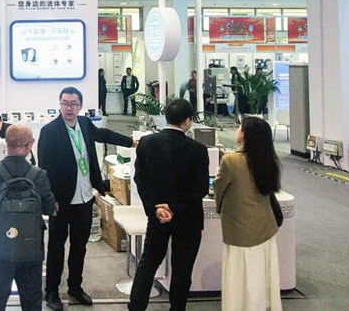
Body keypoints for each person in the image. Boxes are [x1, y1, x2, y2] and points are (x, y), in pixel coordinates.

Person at [38, 87, 134, 310]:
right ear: (59, 104)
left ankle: (75, 287)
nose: (68, 108)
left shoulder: (85, 124)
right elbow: (44, 168)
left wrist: (130, 142)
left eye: (73, 104)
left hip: (84, 197)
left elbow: (104, 135)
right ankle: (51, 292)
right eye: (64, 103)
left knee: (80, 247)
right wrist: (50, 199)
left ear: (80, 106)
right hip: (61, 202)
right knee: (56, 248)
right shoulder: (49, 131)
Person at [129, 98, 209, 311]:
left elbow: (140, 179)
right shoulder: (198, 150)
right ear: (188, 121)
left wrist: (157, 207)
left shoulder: (147, 143)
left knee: (148, 263)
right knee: (182, 269)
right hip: (188, 218)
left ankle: (136, 306)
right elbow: (201, 188)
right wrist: (173, 207)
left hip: (158, 217)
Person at [0, 125, 56, 311]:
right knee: (32, 304)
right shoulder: (39, 175)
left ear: (6, 144)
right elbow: (49, 208)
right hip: (30, 250)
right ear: (28, 146)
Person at [214, 116, 283, 311]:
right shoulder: (268, 160)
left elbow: (219, 189)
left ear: (244, 134)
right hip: (265, 226)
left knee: (240, 277)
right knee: (262, 273)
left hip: (239, 229)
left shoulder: (230, 160)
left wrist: (220, 208)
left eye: (239, 127)